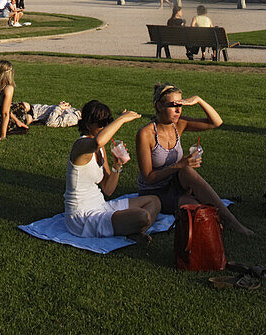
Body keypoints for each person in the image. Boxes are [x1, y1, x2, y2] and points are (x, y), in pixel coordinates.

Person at [135, 84, 253, 235]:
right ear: (158, 106)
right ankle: (219, 220)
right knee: (198, 209)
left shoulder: (179, 124)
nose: (178, 110)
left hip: (176, 182)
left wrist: (199, 100)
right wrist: (179, 165)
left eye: (180, 105)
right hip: (156, 192)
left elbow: (216, 122)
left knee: (187, 171)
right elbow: (148, 178)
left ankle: (232, 223)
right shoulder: (145, 134)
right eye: (173, 105)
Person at [64, 101, 160, 240]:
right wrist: (121, 119)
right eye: (101, 122)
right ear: (88, 124)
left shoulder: (101, 150)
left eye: (108, 121)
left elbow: (108, 189)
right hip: (82, 216)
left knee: (154, 201)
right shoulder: (81, 146)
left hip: (100, 206)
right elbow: (98, 141)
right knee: (143, 216)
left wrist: (117, 166)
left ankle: (134, 229)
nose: (105, 125)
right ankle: (134, 228)